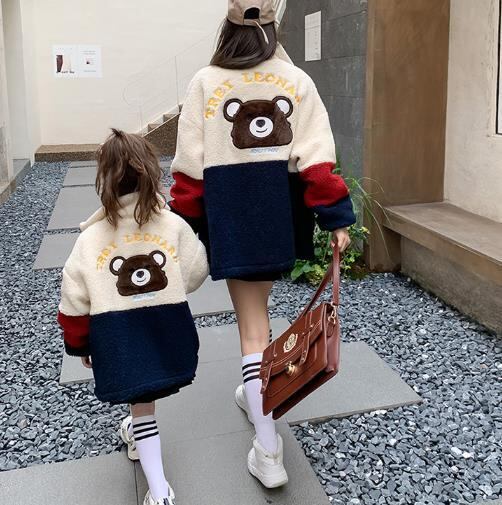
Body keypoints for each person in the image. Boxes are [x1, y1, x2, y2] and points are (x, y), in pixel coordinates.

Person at [170, 0, 356, 489]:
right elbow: (317, 160)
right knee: (259, 317)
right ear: (274, 25)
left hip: (232, 219)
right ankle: (255, 394)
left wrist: (181, 228)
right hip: (279, 217)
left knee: (251, 326)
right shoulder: (296, 81)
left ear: (228, 26)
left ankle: (268, 447)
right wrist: (336, 218)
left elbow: (188, 172)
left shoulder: (205, 81)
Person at [57, 129, 208, 505]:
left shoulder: (90, 240)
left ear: (104, 181)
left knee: (142, 405)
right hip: (167, 331)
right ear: (150, 174)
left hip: (117, 337)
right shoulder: (171, 225)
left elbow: (73, 300)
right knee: (145, 399)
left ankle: (159, 490)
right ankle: (141, 441)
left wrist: (81, 344)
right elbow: (195, 271)